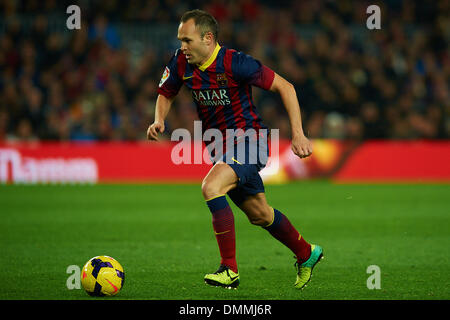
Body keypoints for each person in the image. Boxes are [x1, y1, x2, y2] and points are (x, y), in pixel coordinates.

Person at [147, 9, 323, 290]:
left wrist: (298, 134)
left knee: (211, 186)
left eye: (187, 40)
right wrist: (159, 119)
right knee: (260, 214)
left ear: (207, 38)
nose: (182, 46)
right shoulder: (181, 62)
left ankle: (229, 269)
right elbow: (166, 91)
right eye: (180, 40)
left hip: (250, 141)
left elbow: (286, 87)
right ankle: (307, 253)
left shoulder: (236, 63)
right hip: (220, 147)